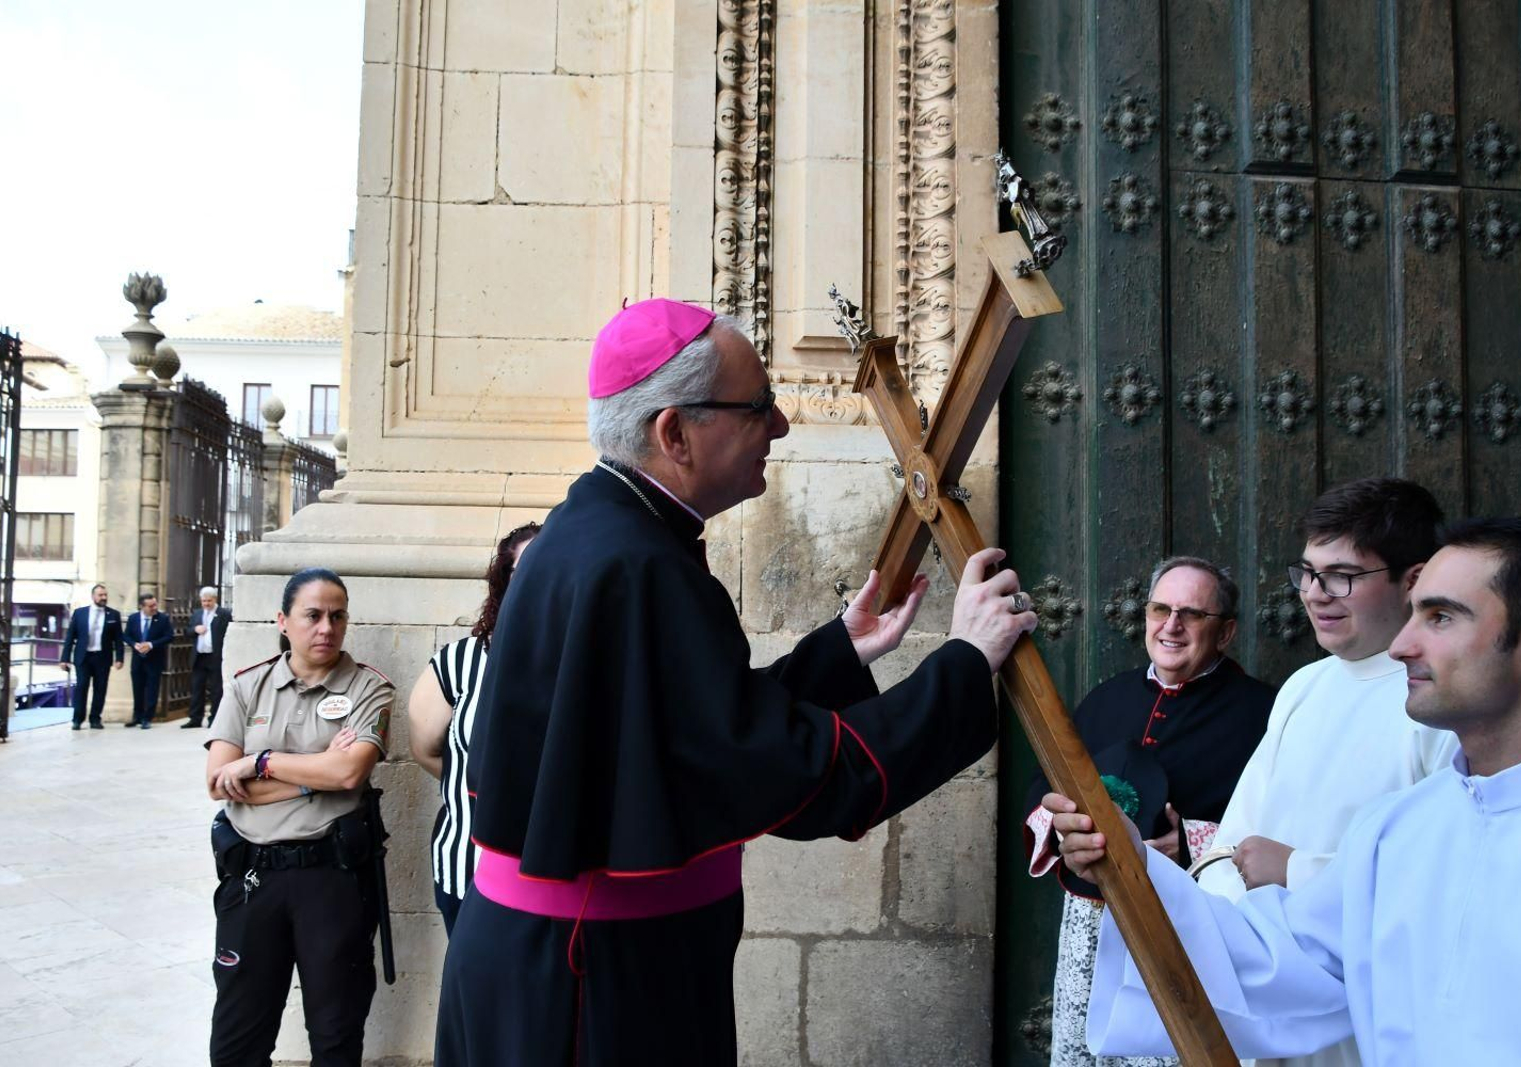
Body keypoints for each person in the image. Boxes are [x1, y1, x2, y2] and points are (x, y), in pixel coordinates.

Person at [436, 299, 1041, 1067]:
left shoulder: (597, 531)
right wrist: (963, 662)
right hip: (593, 980)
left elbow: (687, 733)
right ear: (674, 432)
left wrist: (837, 654)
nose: (780, 424)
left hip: (564, 959)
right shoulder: (639, 564)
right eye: (757, 406)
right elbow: (785, 773)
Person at [1047, 517, 1521, 1065]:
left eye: (1441, 617)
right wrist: (1134, 866)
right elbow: (1278, 960)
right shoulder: (1398, 829)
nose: (1401, 646)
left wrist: (1290, 865)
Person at [1188, 477, 1457, 1067]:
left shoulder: (1442, 705)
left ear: (1413, 580)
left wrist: (1297, 871)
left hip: (1370, 1015)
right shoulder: (1304, 686)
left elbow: (1446, 876)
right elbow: (1233, 843)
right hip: (1269, 993)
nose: (1314, 594)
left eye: (1342, 576)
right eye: (1308, 573)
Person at [1023, 556, 1276, 1067]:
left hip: (1188, 920)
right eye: (1161, 609)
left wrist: (1193, 842)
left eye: (1192, 614)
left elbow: (1281, 826)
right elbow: (1044, 791)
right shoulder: (1107, 697)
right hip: (1093, 920)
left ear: (1225, 632)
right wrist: (1064, 833)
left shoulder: (1262, 712)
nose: (1171, 625)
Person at [202, 567, 394, 1067]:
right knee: (237, 1042)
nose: (327, 627)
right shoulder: (248, 686)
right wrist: (313, 774)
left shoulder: (368, 689)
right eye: (313, 615)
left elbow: (349, 772)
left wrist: (260, 763)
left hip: (331, 880)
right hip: (252, 880)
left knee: (335, 1035)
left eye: (338, 616)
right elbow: (219, 781)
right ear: (283, 621)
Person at [408, 521, 540, 934]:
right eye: (526, 570)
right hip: (467, 871)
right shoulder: (458, 663)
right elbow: (426, 751)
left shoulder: (588, 660)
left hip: (553, 881)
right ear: (504, 581)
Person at [59, 583, 123, 730]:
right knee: (81, 687)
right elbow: (70, 637)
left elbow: (118, 639)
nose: (104, 597)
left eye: (105, 595)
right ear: (93, 596)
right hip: (84, 657)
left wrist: (119, 658)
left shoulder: (113, 615)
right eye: (100, 595)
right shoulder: (80, 613)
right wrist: (64, 658)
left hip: (102, 657)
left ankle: (95, 718)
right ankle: (77, 719)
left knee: (100, 688)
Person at [184, 586, 233, 728]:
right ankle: (195, 718)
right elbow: (187, 631)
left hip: (215, 657)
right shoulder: (197, 614)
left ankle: (214, 719)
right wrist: (195, 629)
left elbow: (229, 634)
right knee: (197, 688)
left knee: (216, 689)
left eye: (209, 601)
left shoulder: (224, 614)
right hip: (199, 656)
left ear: (215, 599)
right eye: (204, 601)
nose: (206, 603)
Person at [123, 592, 174, 728]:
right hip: (137, 660)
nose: (154, 608)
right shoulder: (133, 618)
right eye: (151, 606)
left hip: (154, 660)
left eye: (155, 605)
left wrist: (151, 644)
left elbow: (169, 636)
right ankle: (137, 716)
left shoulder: (162, 619)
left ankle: (148, 718)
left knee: (152, 690)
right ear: (142, 606)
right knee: (137, 689)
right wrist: (134, 644)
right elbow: (126, 636)